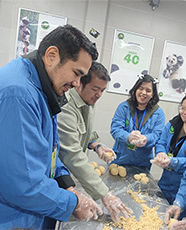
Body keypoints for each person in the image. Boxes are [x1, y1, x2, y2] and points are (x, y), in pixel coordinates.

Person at [0, 24, 103, 229]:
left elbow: (46, 150)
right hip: (3, 218)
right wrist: (73, 203)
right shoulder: (17, 95)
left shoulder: (40, 89)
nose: (76, 83)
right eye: (76, 73)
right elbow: (20, 185)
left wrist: (66, 183)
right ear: (51, 56)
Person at [57, 61, 132, 223]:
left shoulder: (87, 102)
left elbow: (86, 131)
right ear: (79, 84)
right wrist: (104, 194)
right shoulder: (67, 107)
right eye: (95, 89)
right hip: (58, 176)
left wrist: (97, 145)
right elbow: (72, 154)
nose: (99, 95)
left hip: (69, 173)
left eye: (102, 90)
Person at [152, 92, 186, 205]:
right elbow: (161, 142)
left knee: (178, 217)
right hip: (165, 182)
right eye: (182, 108)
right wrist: (161, 153)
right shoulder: (173, 124)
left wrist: (173, 162)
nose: (184, 112)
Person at [110, 74, 165, 170]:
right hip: (120, 159)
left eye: (148, 91)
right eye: (141, 88)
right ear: (135, 89)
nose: (143, 93)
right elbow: (115, 129)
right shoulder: (124, 107)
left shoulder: (158, 113)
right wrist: (128, 137)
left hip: (142, 164)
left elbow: (158, 135)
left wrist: (146, 139)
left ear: (152, 94)